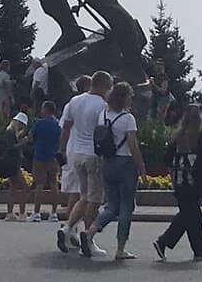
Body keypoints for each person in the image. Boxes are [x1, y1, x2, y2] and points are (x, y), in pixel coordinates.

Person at [79, 82, 148, 260]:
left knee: (111, 206)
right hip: (125, 163)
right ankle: (120, 248)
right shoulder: (127, 119)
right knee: (126, 207)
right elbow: (132, 145)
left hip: (107, 163)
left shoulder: (103, 115)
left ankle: (89, 232)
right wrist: (141, 167)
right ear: (125, 98)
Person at [56, 70, 112, 256]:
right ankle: (88, 239)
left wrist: (62, 150)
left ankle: (67, 229)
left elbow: (66, 127)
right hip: (93, 155)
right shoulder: (103, 106)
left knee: (83, 196)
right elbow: (103, 133)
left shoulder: (75, 101)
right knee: (94, 200)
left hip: (76, 154)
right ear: (103, 86)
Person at [153, 104, 202, 262]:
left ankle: (199, 250)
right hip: (195, 183)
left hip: (180, 182)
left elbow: (166, 160)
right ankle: (164, 241)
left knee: (190, 215)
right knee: (190, 215)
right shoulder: (200, 137)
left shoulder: (177, 137)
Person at [58, 74, 92, 232]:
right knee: (83, 194)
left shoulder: (71, 103)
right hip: (82, 151)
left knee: (75, 192)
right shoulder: (82, 103)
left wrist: (62, 149)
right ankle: (71, 228)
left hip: (72, 151)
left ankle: (70, 227)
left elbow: (64, 127)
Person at [0, 111, 31, 221]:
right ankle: (22, 213)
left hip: (11, 163)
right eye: (21, 125)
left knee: (13, 188)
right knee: (25, 188)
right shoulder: (10, 133)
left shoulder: (10, 132)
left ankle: (10, 213)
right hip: (13, 164)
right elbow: (11, 148)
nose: (21, 127)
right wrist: (22, 143)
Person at [30, 101, 61, 222]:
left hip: (40, 156)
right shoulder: (58, 124)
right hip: (53, 157)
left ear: (46, 110)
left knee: (39, 185)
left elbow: (32, 137)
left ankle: (36, 212)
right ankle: (54, 213)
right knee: (54, 185)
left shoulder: (39, 123)